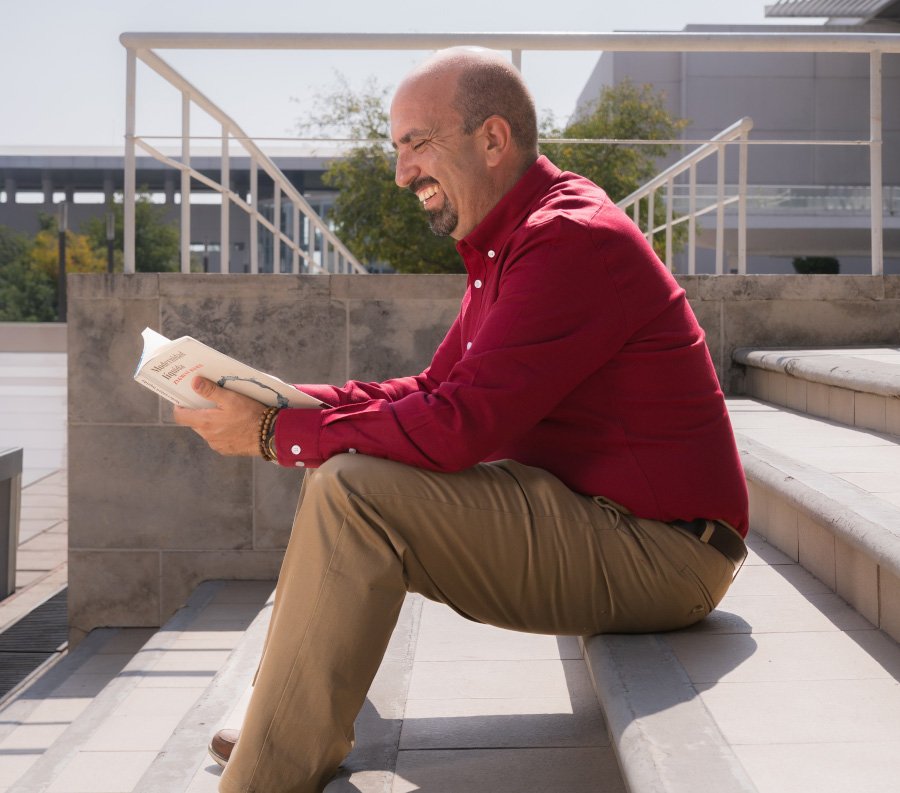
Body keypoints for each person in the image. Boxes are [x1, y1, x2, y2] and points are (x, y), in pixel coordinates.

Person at [174, 46, 749, 793]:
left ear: (492, 139)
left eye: (418, 143)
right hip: (606, 519)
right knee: (345, 466)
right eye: (397, 147)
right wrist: (286, 401)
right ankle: (280, 705)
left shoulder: (569, 238)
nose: (402, 170)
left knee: (353, 487)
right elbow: (434, 388)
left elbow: (457, 427)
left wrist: (269, 434)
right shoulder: (511, 244)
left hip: (668, 555)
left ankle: (266, 777)